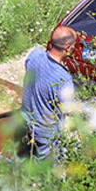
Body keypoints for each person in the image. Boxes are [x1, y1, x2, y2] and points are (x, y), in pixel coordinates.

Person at [21, 25, 77, 160]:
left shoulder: (35, 55)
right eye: (74, 45)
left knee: (26, 155)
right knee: (45, 169)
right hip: (44, 132)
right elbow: (67, 109)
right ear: (68, 48)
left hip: (25, 120)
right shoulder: (63, 79)